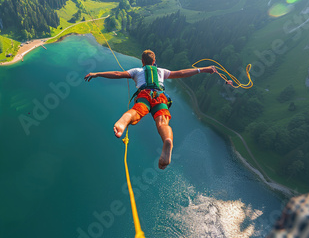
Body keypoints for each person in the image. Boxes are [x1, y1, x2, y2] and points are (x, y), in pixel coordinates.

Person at [84, 50, 217, 169]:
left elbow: (117, 73)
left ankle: (122, 123)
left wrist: (97, 73)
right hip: (160, 96)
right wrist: (204, 69)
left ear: (142, 61)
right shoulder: (161, 71)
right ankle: (167, 140)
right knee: (162, 123)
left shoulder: (137, 71)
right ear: (154, 61)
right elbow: (181, 73)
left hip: (145, 95)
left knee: (135, 112)